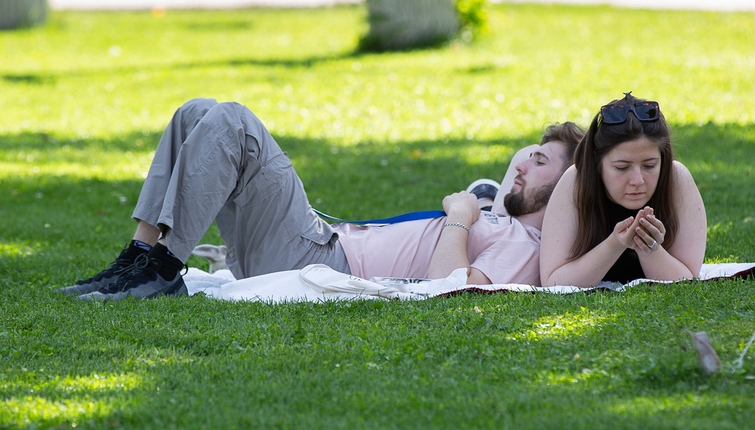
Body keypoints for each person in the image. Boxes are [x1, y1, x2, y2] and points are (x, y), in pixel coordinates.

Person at [61, 98, 584, 300]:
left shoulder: (526, 245)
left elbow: (449, 289)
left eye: (541, 162)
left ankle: (163, 267)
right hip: (311, 243)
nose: (523, 163)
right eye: (528, 153)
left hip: (318, 259)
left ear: (564, 189)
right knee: (195, 113)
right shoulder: (501, 215)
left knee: (236, 123)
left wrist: (463, 218)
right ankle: (140, 257)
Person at [539, 93, 707, 287]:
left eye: (650, 165)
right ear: (597, 163)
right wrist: (615, 244)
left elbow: (687, 281)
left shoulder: (676, 179)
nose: (637, 180)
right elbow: (553, 283)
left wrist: (649, 248)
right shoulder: (576, 181)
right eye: (622, 167)